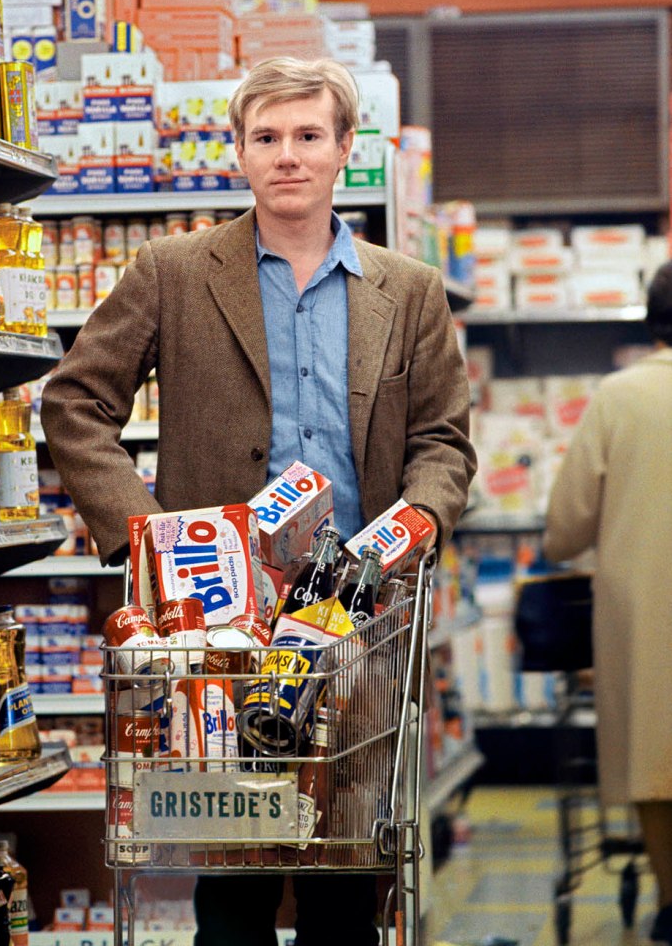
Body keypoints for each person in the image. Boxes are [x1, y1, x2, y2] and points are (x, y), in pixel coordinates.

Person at [42, 57, 476, 946]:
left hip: (359, 616)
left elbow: (442, 439)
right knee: (231, 884)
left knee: (349, 886)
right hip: (223, 621)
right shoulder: (172, 269)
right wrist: (148, 537)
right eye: (267, 137)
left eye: (308, 136)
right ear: (237, 149)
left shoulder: (409, 290)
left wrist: (419, 521)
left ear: (344, 150)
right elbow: (75, 401)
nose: (288, 156)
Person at [543, 261, 672, 945]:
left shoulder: (617, 397)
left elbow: (564, 528)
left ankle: (669, 898)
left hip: (643, 614)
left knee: (657, 757)